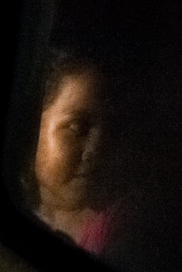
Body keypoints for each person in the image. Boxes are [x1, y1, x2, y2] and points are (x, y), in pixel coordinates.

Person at [29, 48, 120, 254]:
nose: (95, 150)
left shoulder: (119, 232)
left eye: (111, 130)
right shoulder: (8, 203)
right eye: (76, 128)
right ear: (32, 128)